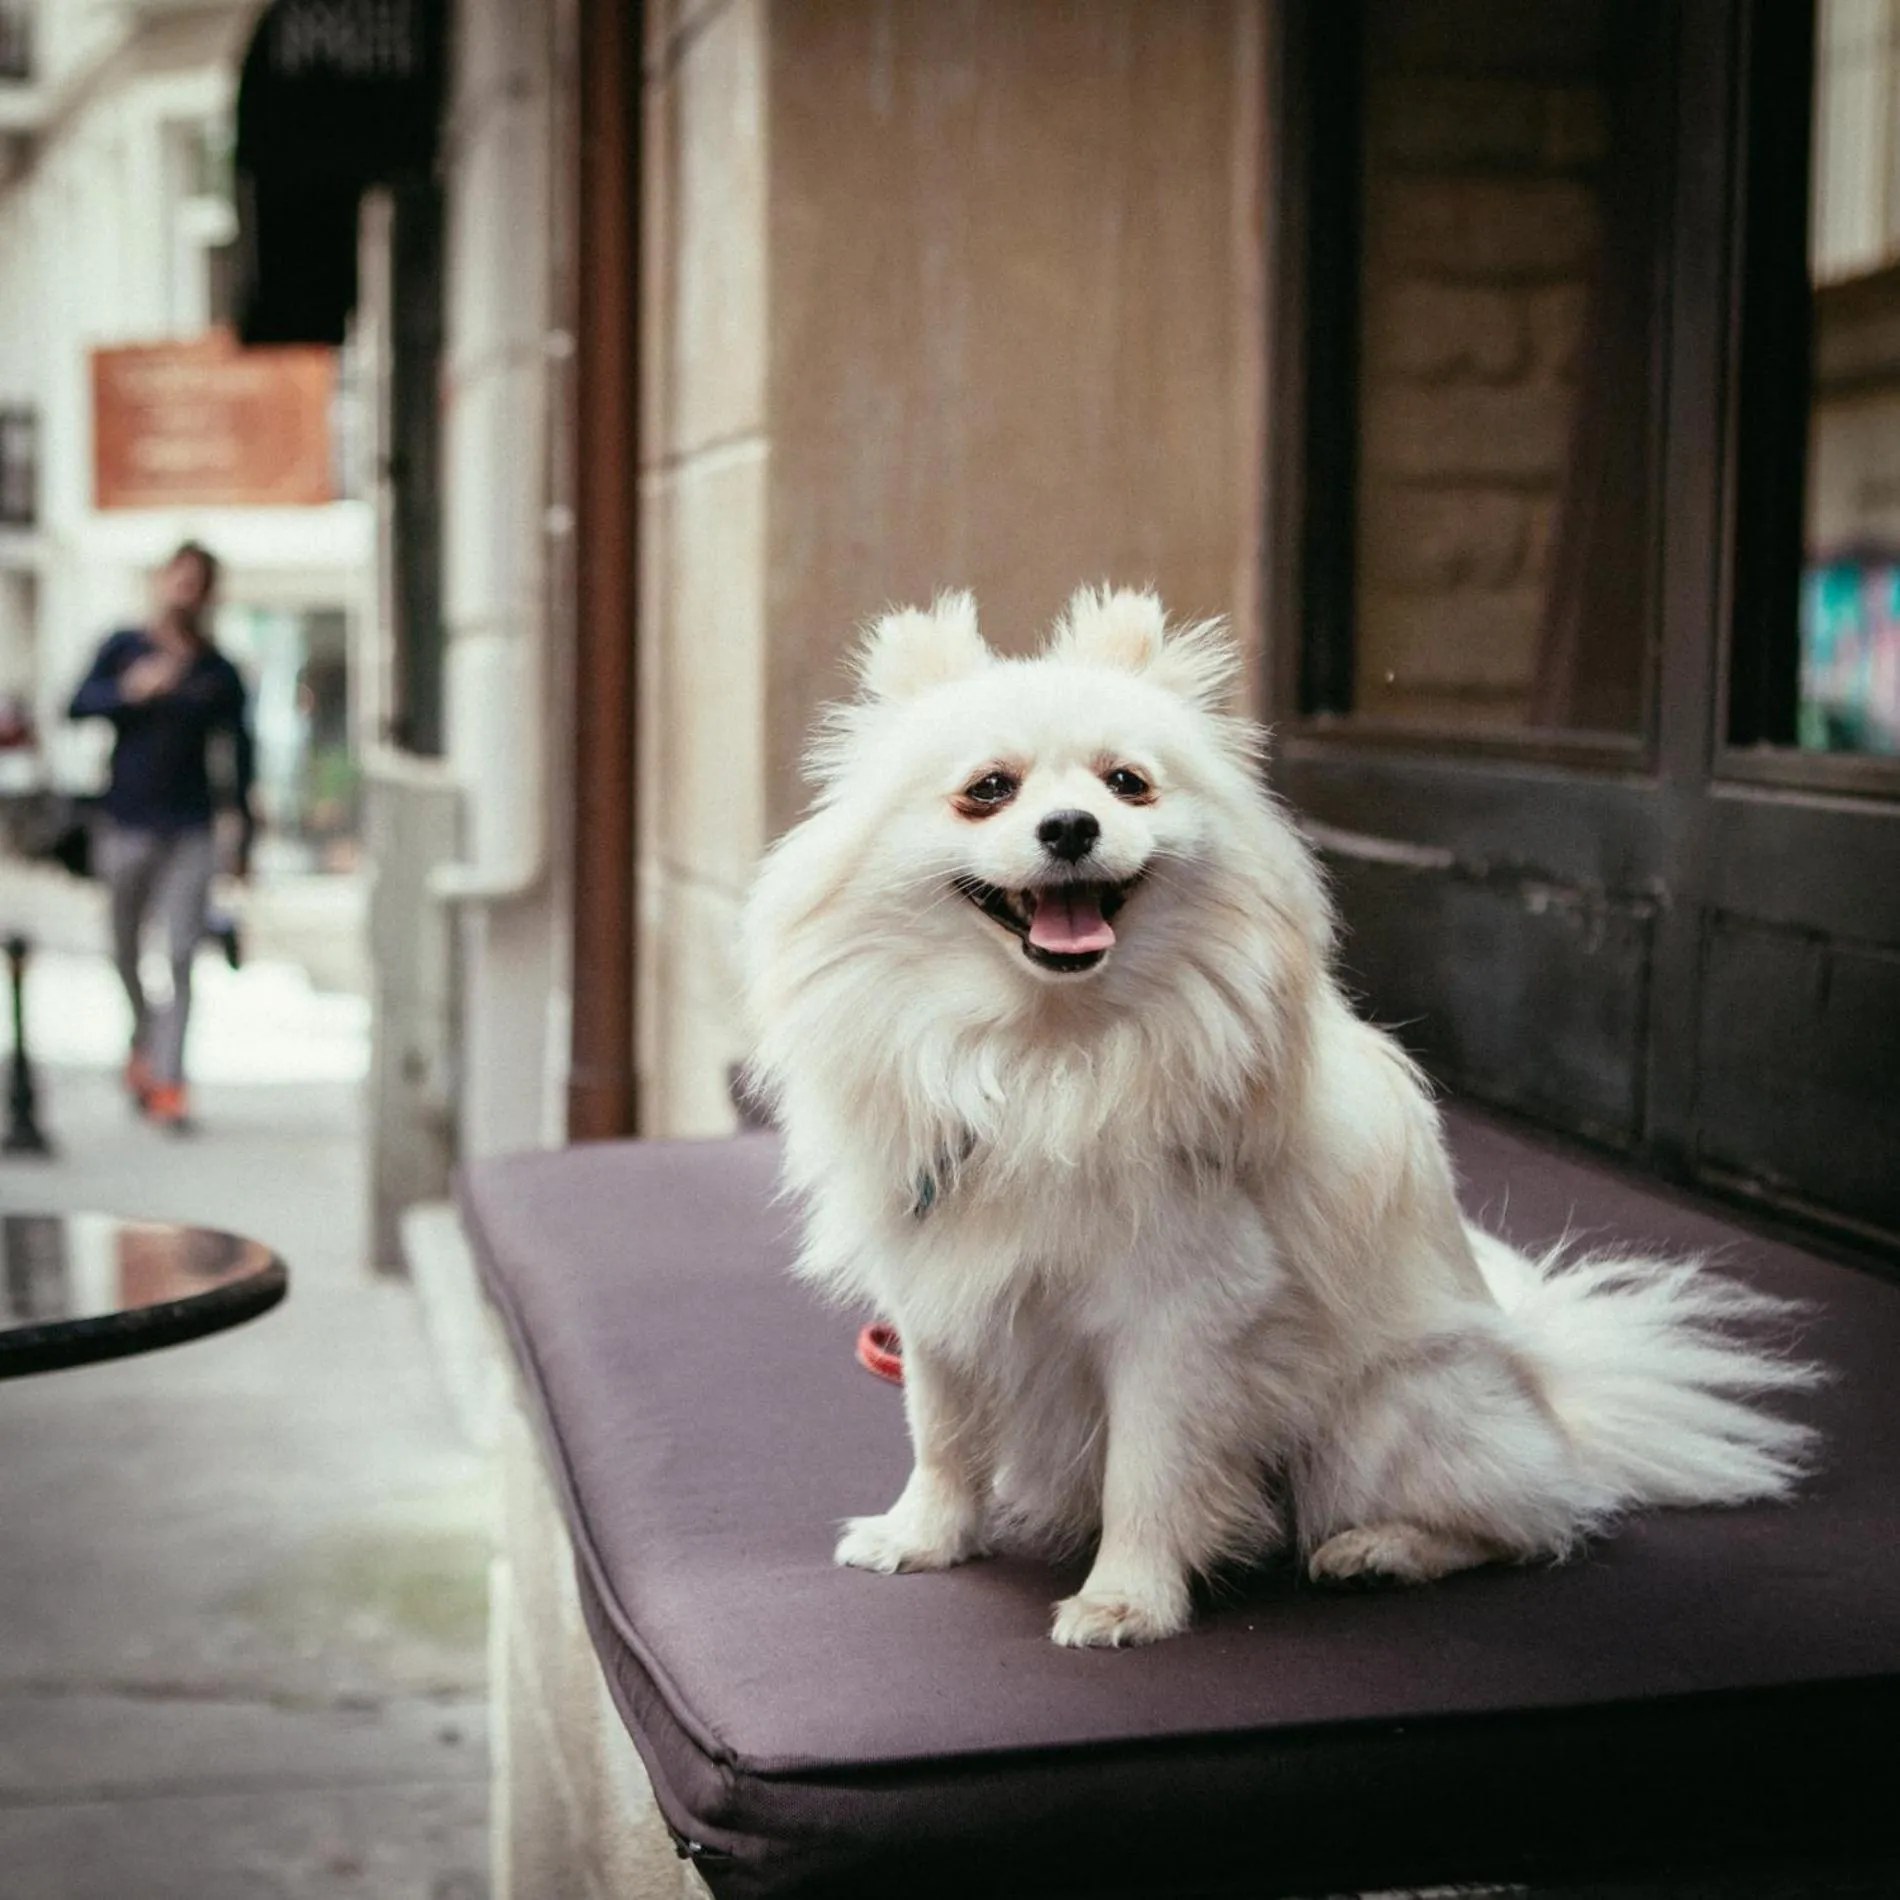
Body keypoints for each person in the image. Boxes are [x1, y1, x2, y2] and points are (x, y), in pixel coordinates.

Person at [68, 543, 255, 1131]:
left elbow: (241, 757)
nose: (186, 590)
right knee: (123, 951)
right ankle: (143, 1044)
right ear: (162, 582)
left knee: (179, 954)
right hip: (124, 821)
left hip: (190, 828)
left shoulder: (217, 671)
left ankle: (171, 1081)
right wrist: (130, 691)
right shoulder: (124, 647)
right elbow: (73, 706)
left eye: (198, 582)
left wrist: (243, 835)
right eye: (179, 578)